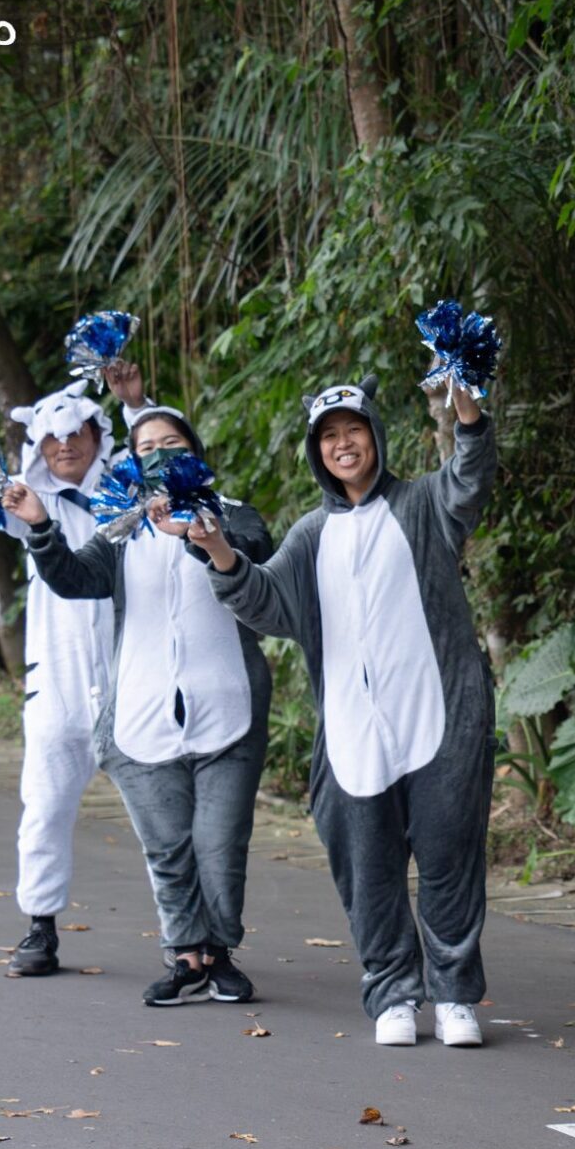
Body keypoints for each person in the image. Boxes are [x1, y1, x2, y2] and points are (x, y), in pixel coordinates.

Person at [192, 375, 495, 1049]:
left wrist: (466, 408)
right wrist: (217, 550)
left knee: (449, 859)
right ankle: (392, 991)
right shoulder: (310, 534)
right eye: (328, 437)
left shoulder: (421, 505)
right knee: (366, 866)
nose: (342, 444)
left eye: (353, 430)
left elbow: (468, 477)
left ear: (376, 437)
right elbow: (267, 602)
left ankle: (453, 996)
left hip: (440, 718)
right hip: (353, 732)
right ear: (316, 452)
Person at [7, 363, 275, 1007]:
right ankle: (186, 956)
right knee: (169, 849)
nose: (158, 456)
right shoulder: (123, 532)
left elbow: (254, 565)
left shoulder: (234, 516)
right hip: (140, 716)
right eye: (145, 449)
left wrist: (197, 533)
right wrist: (42, 528)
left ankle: (222, 954)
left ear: (197, 455)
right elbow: (72, 578)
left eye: (172, 446)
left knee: (218, 846)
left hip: (228, 708)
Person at [0, 383, 117, 978]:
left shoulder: (130, 496)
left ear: (97, 435)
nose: (66, 446)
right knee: (43, 807)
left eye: (76, 434)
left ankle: (190, 939)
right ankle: (40, 927)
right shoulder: (28, 501)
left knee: (164, 818)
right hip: (59, 678)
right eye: (53, 438)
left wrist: (136, 402)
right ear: (38, 445)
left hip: (132, 678)